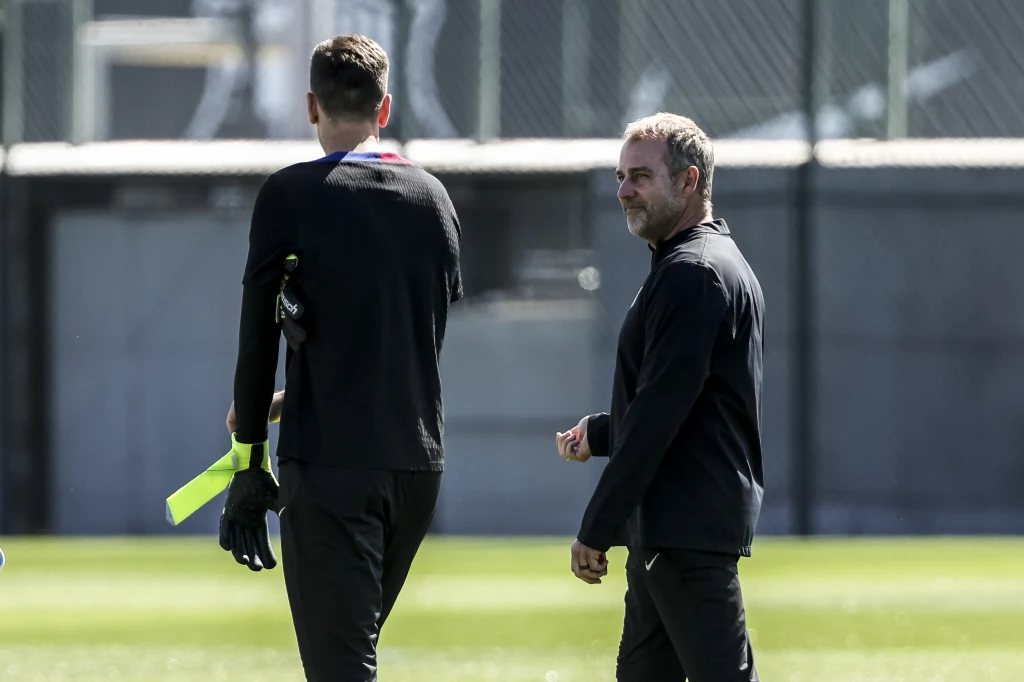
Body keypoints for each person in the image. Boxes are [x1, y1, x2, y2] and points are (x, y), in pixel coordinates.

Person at [220, 33, 463, 681]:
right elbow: (406, 337)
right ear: (385, 110)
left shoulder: (292, 195)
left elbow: (256, 338)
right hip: (417, 467)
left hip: (333, 465)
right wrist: (286, 400)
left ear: (310, 106)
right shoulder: (434, 200)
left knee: (340, 669)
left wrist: (248, 463)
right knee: (352, 655)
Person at [555, 113, 764, 682]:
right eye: (622, 176)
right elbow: (679, 401)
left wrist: (597, 526)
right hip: (669, 531)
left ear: (689, 180)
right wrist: (600, 433)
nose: (624, 190)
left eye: (641, 176)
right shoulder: (699, 263)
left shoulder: (693, 273)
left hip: (683, 529)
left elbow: (657, 417)